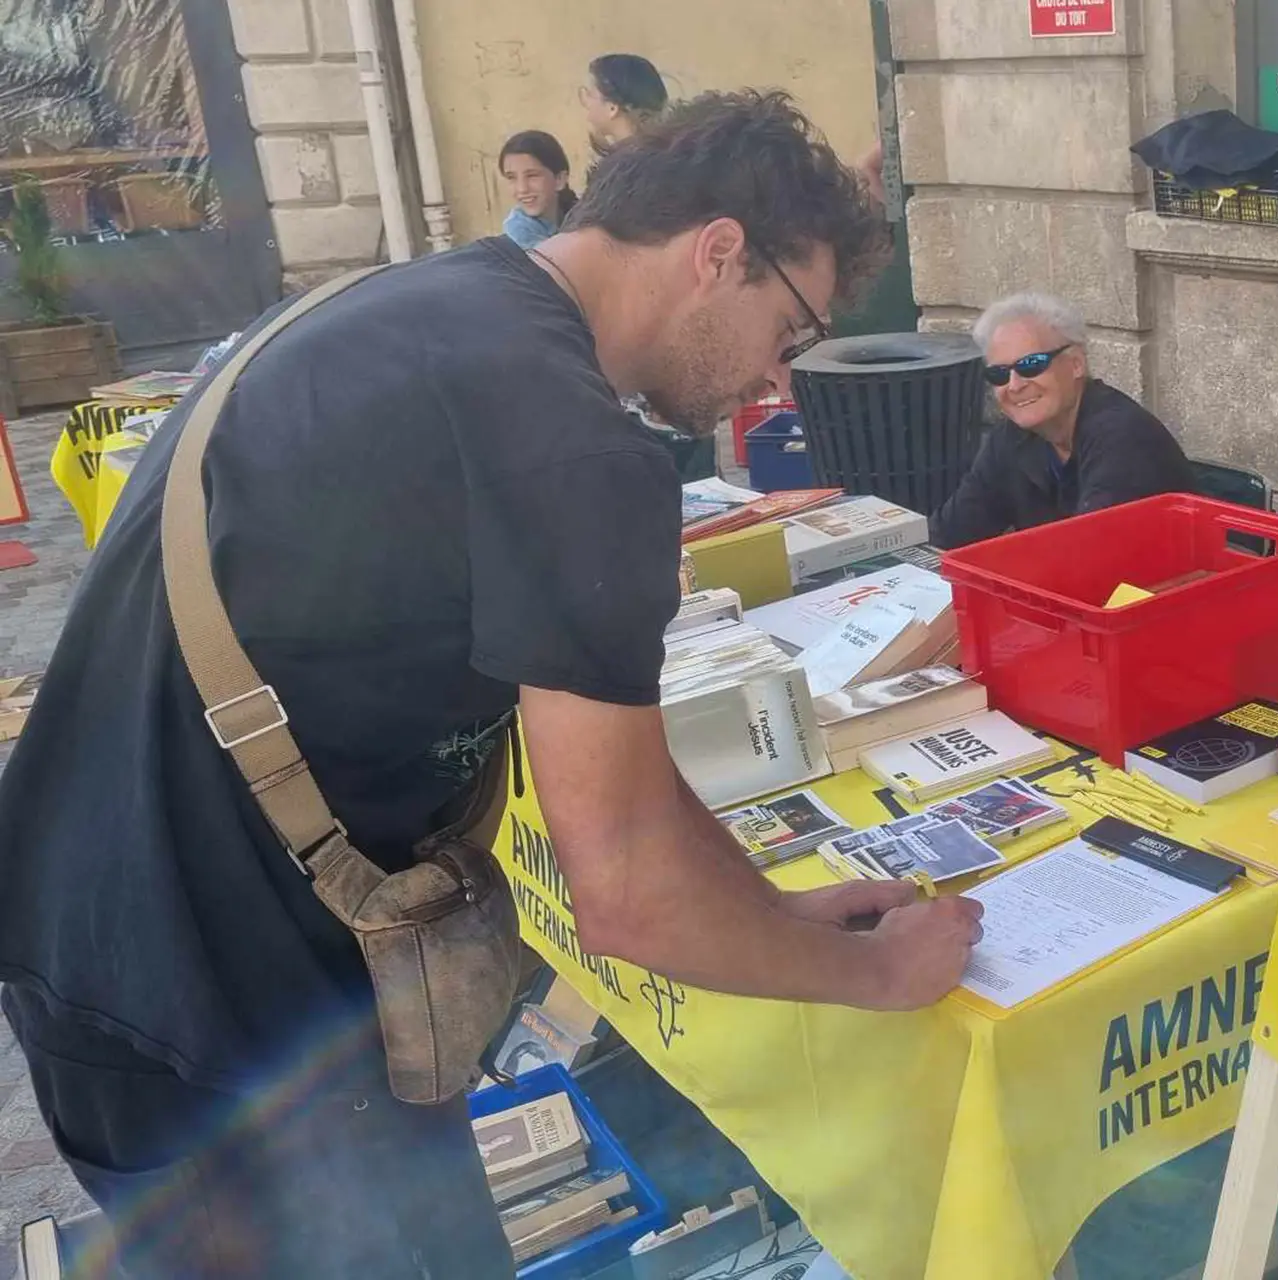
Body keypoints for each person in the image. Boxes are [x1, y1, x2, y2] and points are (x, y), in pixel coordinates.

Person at [0, 90, 981, 1279]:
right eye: (789, 330)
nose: (775, 386)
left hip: (105, 926)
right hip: (220, 1008)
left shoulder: (432, 303)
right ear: (720, 253)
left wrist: (774, 910)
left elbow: (624, 780)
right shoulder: (569, 440)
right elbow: (622, 893)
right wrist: (874, 973)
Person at [929, 292, 1194, 549]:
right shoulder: (1010, 438)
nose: (1014, 385)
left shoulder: (1122, 436)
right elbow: (949, 533)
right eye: (999, 374)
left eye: (1031, 364)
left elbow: (1088, 554)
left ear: (1076, 363)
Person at [498, 129, 576, 249]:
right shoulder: (519, 233)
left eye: (532, 176)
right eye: (511, 178)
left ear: (560, 179)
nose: (522, 189)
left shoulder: (579, 214)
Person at [581, 53, 668, 158]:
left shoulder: (631, 165)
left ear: (612, 108)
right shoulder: (668, 154)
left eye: (590, 94)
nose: (587, 103)